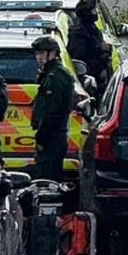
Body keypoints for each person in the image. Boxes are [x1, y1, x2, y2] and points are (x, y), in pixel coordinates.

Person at [30, 36, 75, 181]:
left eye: (42, 53)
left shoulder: (56, 77)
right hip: (53, 135)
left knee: (47, 178)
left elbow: (52, 112)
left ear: (53, 53)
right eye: (37, 54)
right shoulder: (49, 74)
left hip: (53, 136)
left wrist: (42, 136)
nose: (39, 57)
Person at [66, 0, 111, 88]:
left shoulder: (92, 28)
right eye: (93, 10)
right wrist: (98, 70)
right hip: (90, 79)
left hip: (100, 74)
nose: (95, 13)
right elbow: (80, 57)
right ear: (87, 13)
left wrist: (105, 48)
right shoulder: (79, 33)